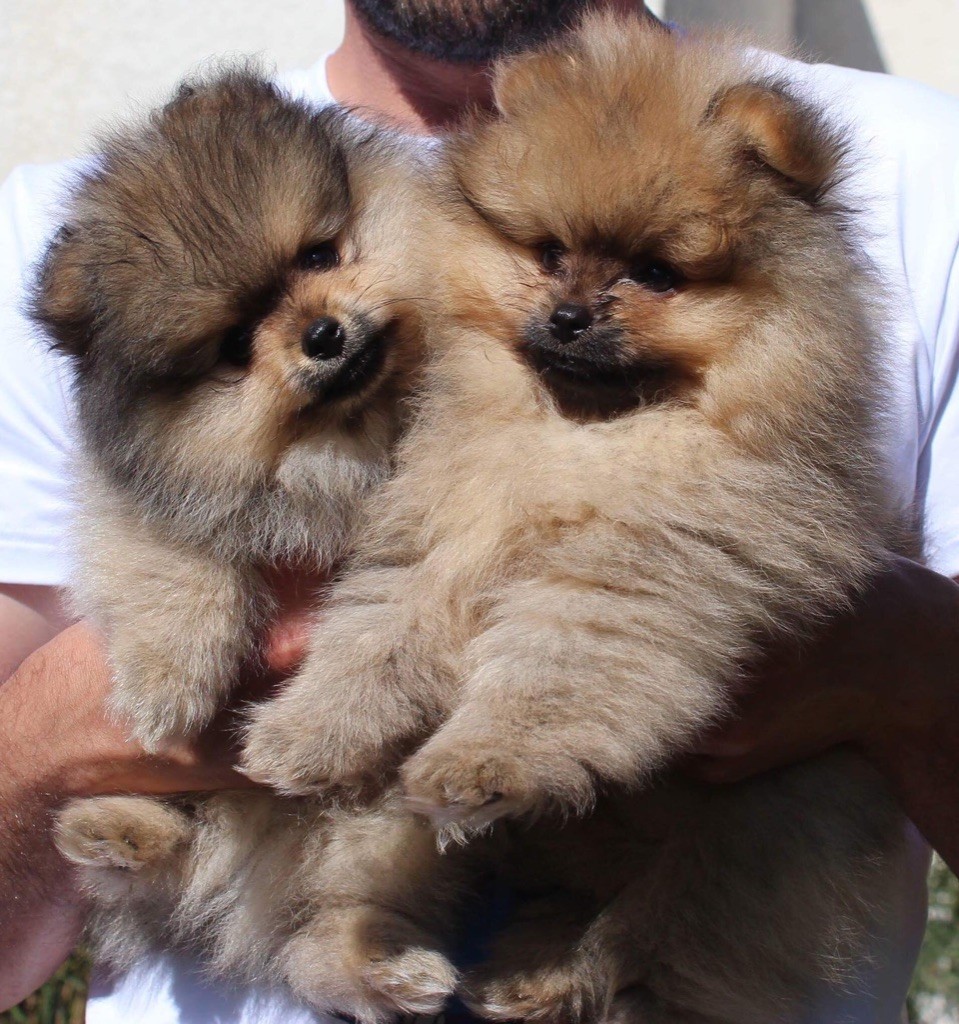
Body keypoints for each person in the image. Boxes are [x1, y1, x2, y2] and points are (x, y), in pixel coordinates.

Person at [0, 1, 956, 1021]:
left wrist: (891, 661)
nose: (573, 305)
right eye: (543, 256)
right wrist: (76, 718)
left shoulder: (918, 169)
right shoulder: (66, 229)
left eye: (323, 255)